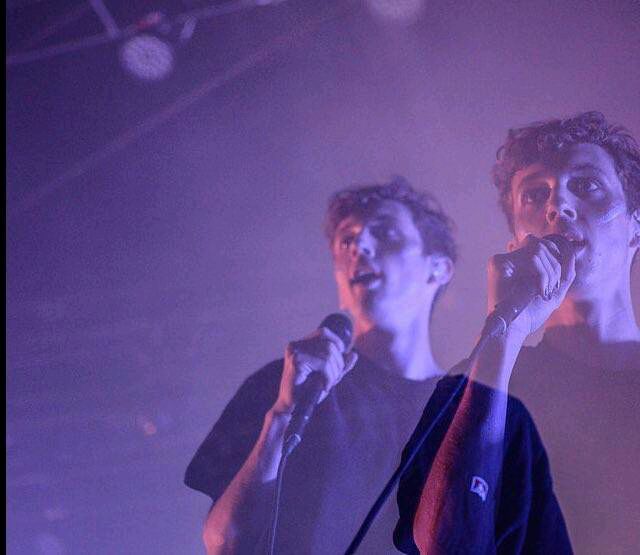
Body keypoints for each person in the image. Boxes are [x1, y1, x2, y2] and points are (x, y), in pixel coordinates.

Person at [394, 111, 640, 554]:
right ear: (516, 241)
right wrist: (506, 333)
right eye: (535, 195)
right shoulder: (476, 386)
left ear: (635, 226)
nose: (557, 206)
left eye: (586, 185)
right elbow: (443, 544)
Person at [185, 177, 458, 554]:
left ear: (438, 268)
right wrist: (282, 416)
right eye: (346, 241)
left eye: (384, 232)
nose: (358, 247)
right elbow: (224, 541)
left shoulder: (468, 410)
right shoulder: (286, 382)